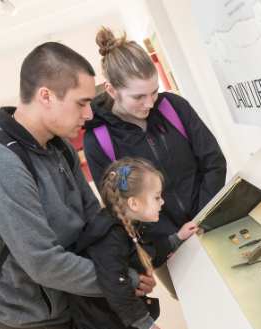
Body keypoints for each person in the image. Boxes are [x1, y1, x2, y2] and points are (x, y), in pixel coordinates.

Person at [0, 42, 156, 329]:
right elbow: (44, 263)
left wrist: (124, 267)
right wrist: (123, 281)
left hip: (85, 301)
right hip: (42, 325)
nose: (90, 114)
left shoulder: (59, 145)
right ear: (46, 96)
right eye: (81, 103)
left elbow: (93, 220)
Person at [83, 28, 227, 297]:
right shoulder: (99, 141)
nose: (150, 103)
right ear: (112, 90)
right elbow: (120, 207)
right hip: (166, 248)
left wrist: (201, 217)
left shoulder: (173, 107)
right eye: (138, 97)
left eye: (154, 91)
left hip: (210, 221)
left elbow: (213, 161)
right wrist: (174, 238)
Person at [71, 157, 197, 329]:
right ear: (134, 203)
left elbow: (145, 253)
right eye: (157, 197)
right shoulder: (108, 236)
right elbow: (115, 285)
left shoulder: (128, 223)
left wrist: (177, 238)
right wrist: (150, 328)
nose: (162, 202)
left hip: (128, 319)